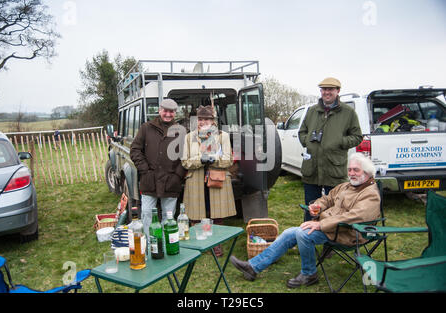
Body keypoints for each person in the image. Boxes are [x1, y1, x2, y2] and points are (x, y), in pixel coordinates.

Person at [229, 153, 380, 288]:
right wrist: (317, 207)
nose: (352, 173)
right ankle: (253, 267)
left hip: (350, 233)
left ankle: (309, 274)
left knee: (303, 235)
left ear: (367, 173)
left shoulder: (370, 194)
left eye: (356, 170)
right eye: (350, 170)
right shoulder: (346, 186)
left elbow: (353, 217)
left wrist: (321, 224)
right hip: (332, 227)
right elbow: (327, 198)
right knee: (289, 233)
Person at [298, 77, 363, 221]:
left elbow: (357, 136)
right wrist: (307, 142)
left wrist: (339, 142)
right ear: (321, 91)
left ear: (338, 91)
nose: (327, 92)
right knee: (311, 207)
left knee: (335, 208)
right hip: (312, 168)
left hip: (334, 168)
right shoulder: (312, 111)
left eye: (331, 89)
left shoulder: (348, 112)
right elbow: (302, 132)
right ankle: (307, 239)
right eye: (324, 89)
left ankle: (331, 242)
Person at [181, 105, 236, 257]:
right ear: (196, 120)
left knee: (216, 214)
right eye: (200, 119)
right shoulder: (188, 137)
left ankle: (215, 244)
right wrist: (200, 159)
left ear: (213, 121)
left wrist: (212, 160)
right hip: (196, 181)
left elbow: (228, 160)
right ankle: (202, 242)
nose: (203, 122)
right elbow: (185, 161)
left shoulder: (222, 136)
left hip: (216, 179)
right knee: (197, 214)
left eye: (207, 119)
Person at [130, 98, 186, 239]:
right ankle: (150, 243)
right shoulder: (146, 128)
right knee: (147, 213)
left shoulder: (181, 131)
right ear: (159, 110)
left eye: (171, 112)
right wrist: (145, 170)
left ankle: (167, 243)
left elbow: (185, 155)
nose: (168, 114)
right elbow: (135, 150)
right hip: (149, 180)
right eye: (165, 111)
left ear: (175, 113)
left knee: (169, 216)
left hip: (171, 181)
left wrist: (177, 175)